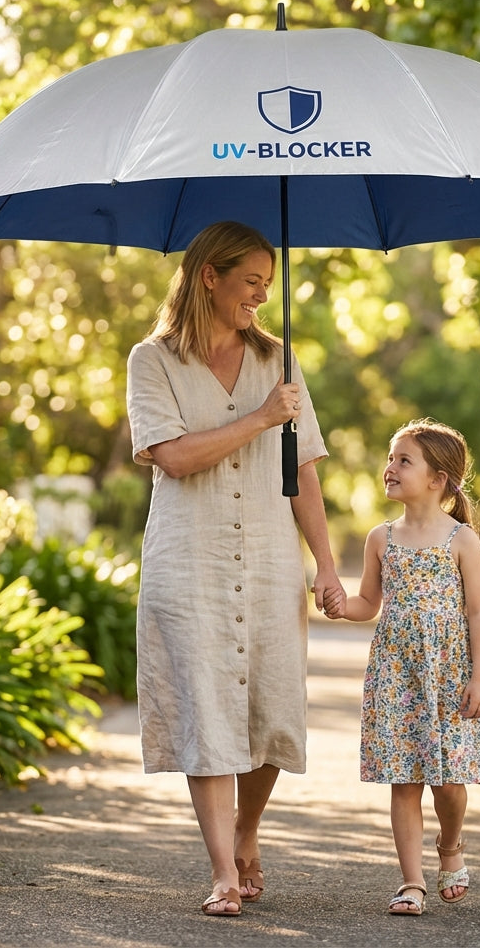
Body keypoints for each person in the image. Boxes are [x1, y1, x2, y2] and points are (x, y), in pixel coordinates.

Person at [126, 220, 345, 917]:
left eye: (267, 284)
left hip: (271, 556)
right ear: (208, 276)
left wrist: (327, 566)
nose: (261, 295)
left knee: (272, 706)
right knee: (206, 709)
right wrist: (258, 418)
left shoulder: (280, 360)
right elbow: (175, 457)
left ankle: (248, 830)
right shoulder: (151, 360)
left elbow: (303, 472)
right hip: (188, 562)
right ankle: (223, 869)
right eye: (250, 281)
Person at [322, 418, 480, 916]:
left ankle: (451, 843)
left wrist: (478, 678)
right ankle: (412, 882)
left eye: (404, 460)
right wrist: (340, 605)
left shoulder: (461, 539)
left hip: (446, 675)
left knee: (448, 784)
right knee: (405, 779)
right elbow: (368, 604)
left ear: (437, 479)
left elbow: (479, 612)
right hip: (397, 675)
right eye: (390, 458)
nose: (390, 468)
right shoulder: (381, 538)